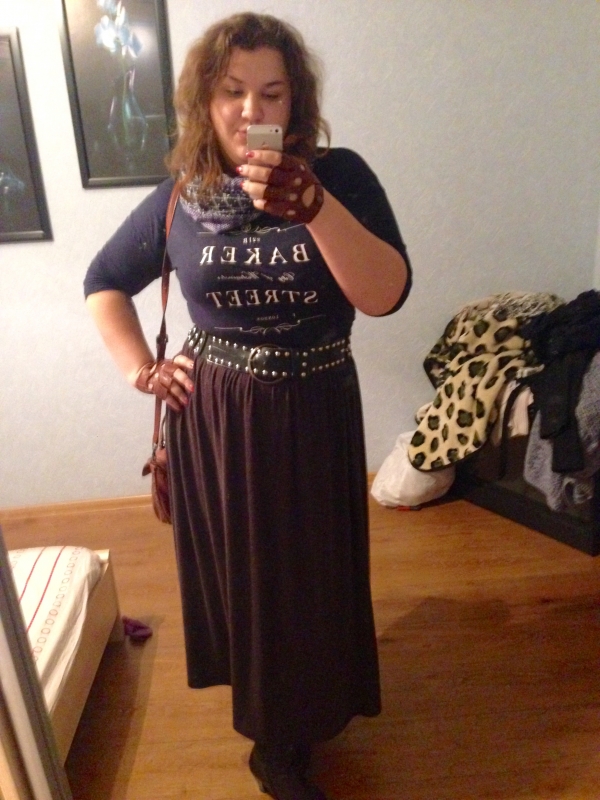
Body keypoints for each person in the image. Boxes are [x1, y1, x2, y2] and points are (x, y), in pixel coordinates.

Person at [84, 12, 411, 800]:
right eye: (233, 91)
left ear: (295, 102)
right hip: (219, 415)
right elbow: (103, 282)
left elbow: (385, 294)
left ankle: (310, 705)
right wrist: (142, 371)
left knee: (314, 573)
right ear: (207, 99)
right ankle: (275, 745)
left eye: (271, 92)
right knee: (252, 579)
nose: (250, 109)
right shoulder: (182, 197)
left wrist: (315, 208)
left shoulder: (340, 177)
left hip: (316, 404)